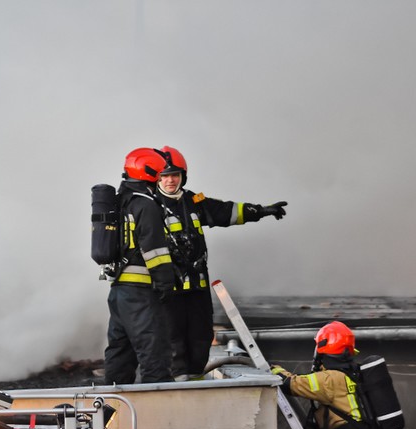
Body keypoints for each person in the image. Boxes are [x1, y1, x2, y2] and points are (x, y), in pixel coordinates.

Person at [154, 146, 287, 381]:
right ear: (157, 178)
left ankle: (194, 380)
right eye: (165, 176)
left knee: (201, 334)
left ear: (183, 176)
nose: (170, 180)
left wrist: (260, 211)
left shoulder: (193, 200)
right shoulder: (149, 206)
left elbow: (226, 211)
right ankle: (177, 384)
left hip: (197, 286)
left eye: (175, 175)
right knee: (172, 338)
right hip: (169, 289)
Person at [104, 148, 176, 384]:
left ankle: (112, 411)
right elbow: (155, 251)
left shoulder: (120, 201)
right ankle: (159, 413)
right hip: (141, 294)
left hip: (119, 291)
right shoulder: (146, 205)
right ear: (150, 172)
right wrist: (166, 283)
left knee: (120, 352)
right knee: (154, 352)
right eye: (159, 173)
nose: (162, 177)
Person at [270, 321, 369, 429]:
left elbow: (291, 384)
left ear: (322, 346)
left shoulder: (329, 379)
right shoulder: (353, 371)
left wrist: (272, 369)